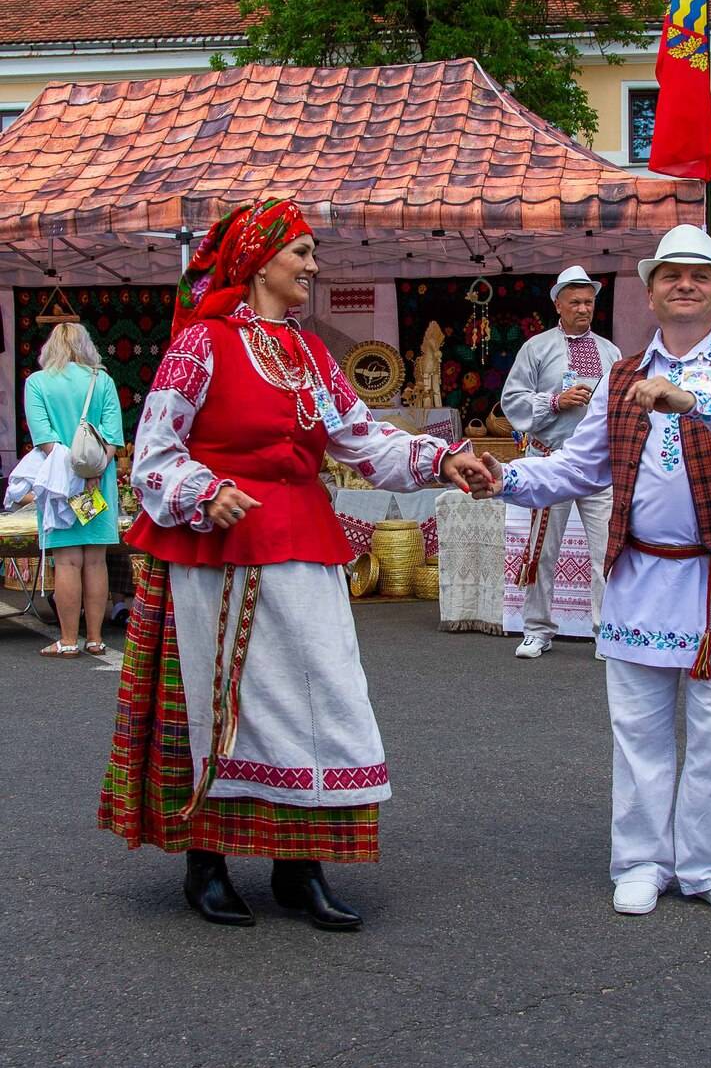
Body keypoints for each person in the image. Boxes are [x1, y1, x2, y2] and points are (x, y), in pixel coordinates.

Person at [98, 198, 491, 932]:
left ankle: (299, 867)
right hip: (217, 547)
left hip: (303, 541)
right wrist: (204, 490)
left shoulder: (308, 353)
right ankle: (206, 863)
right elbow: (153, 451)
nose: (313, 265)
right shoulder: (202, 344)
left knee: (319, 693)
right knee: (219, 699)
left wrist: (441, 458)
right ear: (258, 261)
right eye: (301, 252)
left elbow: (360, 438)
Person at [473, 227, 711, 920]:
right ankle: (642, 861)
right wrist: (506, 478)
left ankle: (710, 865)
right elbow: (580, 466)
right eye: (670, 275)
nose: (685, 284)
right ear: (650, 293)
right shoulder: (621, 377)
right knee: (640, 733)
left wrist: (694, 401)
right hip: (641, 575)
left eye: (699, 275)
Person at [501, 265, 620, 660]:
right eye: (575, 302)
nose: (583, 309)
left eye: (588, 302)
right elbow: (512, 401)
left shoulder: (610, 352)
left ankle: (606, 632)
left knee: (606, 551)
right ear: (558, 305)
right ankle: (537, 629)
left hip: (597, 467)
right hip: (551, 461)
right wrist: (555, 401)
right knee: (542, 550)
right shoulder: (536, 348)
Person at [23, 321, 124, 657]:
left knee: (66, 562)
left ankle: (68, 641)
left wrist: (73, 475)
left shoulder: (37, 383)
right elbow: (113, 436)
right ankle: (95, 639)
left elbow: (44, 438)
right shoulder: (102, 380)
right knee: (95, 562)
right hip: (98, 483)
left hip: (60, 486)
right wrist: (92, 472)